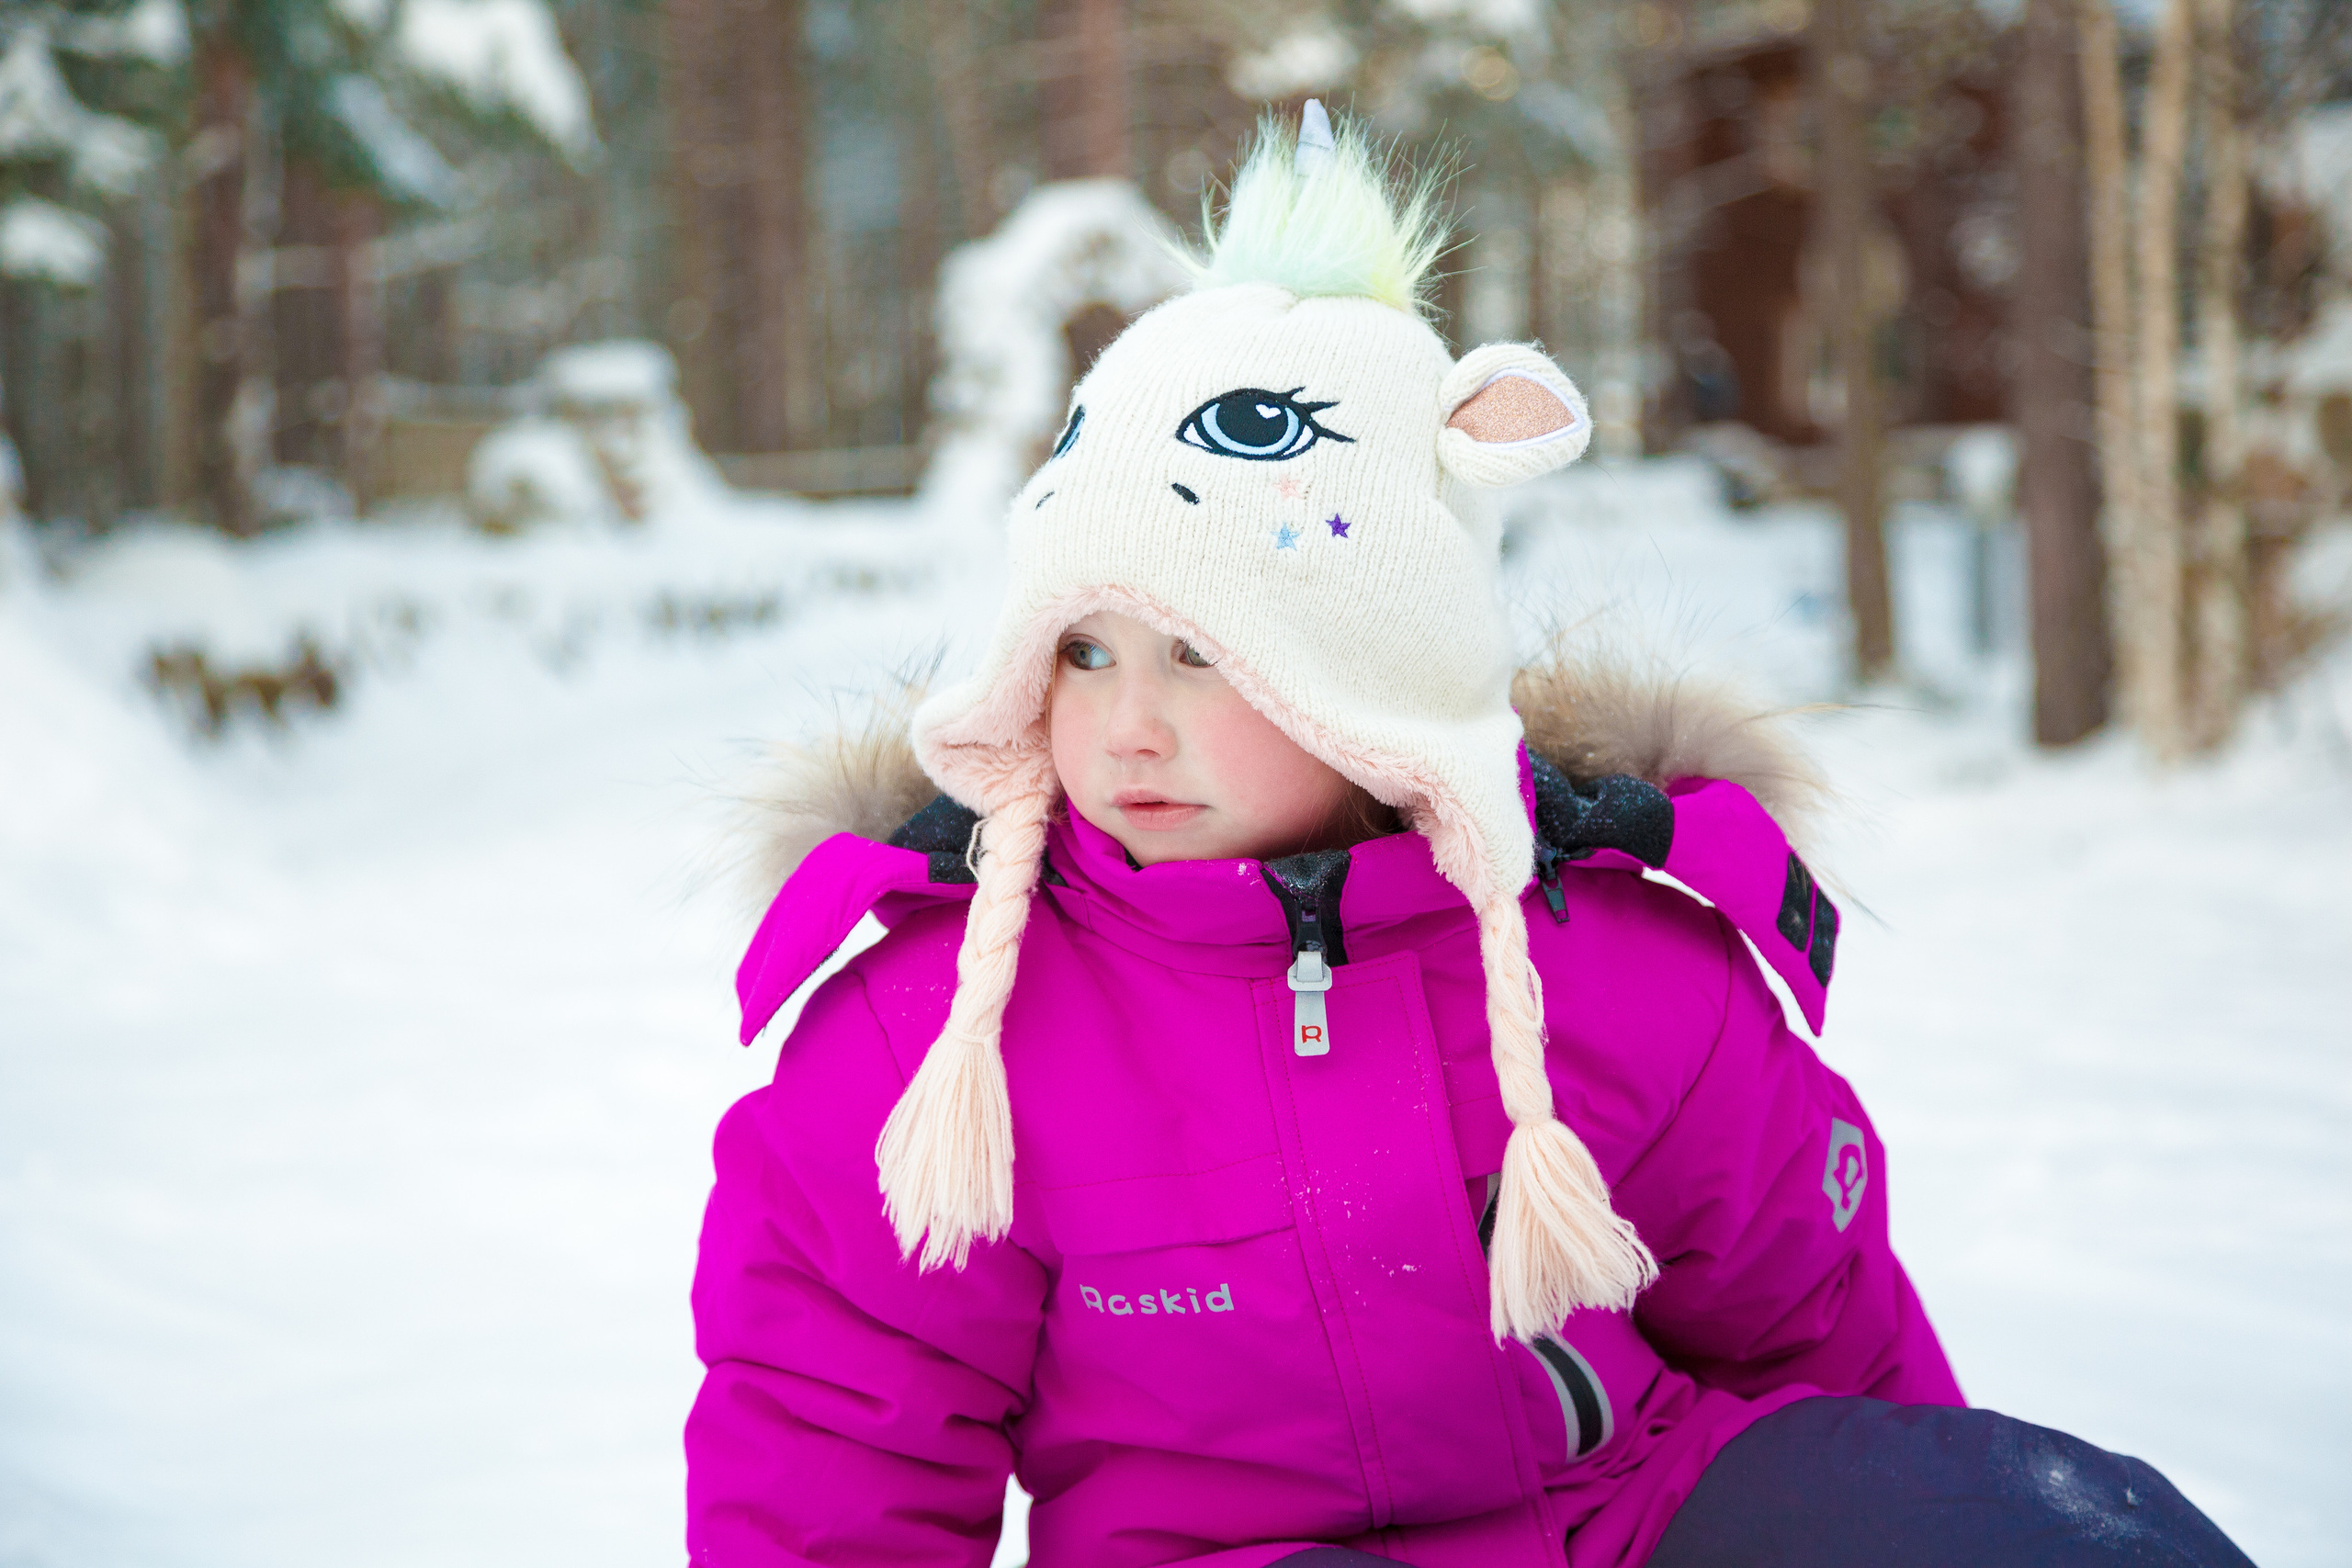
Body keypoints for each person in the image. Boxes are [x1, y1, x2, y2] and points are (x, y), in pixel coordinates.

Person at [686, 105, 2253, 1568]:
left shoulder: (1619, 962)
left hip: (1624, 1517)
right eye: (1082, 653)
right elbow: (835, 1446)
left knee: (2035, 1525)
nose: (1123, 726)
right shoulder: (938, 1042)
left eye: (1204, 656)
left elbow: (1818, 1328)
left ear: (1381, 683)